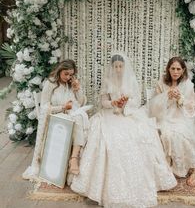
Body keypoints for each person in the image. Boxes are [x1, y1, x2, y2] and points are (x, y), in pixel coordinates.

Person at [70, 52, 177, 208]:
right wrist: (113, 103)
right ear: (112, 67)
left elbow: (136, 101)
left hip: (128, 114)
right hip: (110, 114)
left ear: (124, 66)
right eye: (116, 66)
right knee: (110, 138)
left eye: (120, 66)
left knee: (139, 135)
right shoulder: (107, 81)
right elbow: (103, 102)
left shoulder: (131, 80)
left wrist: (126, 104)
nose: (118, 69)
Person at [22, 59, 88, 180]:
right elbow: (45, 107)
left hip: (70, 114)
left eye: (71, 75)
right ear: (59, 71)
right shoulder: (50, 83)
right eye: (66, 74)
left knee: (78, 118)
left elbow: (81, 103)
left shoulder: (70, 83)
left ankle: (73, 158)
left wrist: (77, 89)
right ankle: (72, 160)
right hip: (55, 117)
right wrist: (62, 107)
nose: (68, 77)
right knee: (76, 119)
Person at [149, 57, 195, 186]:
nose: (175, 72)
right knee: (166, 133)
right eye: (173, 68)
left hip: (181, 117)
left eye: (178, 69)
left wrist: (181, 99)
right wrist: (166, 97)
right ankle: (166, 166)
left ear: (183, 70)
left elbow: (193, 107)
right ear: (168, 69)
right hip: (164, 116)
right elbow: (154, 106)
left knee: (179, 133)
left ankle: (183, 168)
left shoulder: (188, 84)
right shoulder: (161, 83)